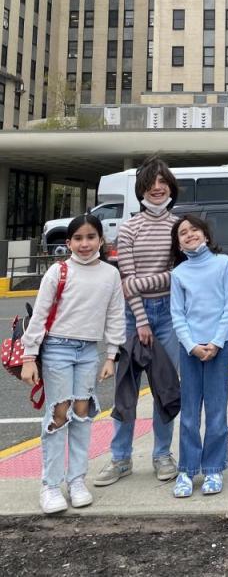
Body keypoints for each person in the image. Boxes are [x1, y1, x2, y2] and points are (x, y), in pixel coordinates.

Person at [20, 214, 125, 514]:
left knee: (82, 413)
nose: (84, 243)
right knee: (59, 414)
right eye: (78, 238)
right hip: (57, 349)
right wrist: (29, 357)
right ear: (68, 243)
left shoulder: (111, 274)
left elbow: (115, 315)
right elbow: (40, 315)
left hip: (89, 351)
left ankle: (77, 480)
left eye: (91, 237)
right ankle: (51, 486)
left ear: (101, 240)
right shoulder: (58, 271)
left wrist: (112, 355)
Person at [95, 155, 181, 486]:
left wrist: (142, 282)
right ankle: (120, 458)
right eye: (151, 183)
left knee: (165, 388)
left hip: (169, 314)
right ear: (141, 189)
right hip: (133, 317)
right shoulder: (130, 227)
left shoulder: (179, 226)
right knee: (126, 388)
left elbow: (177, 275)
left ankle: (162, 454)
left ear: (170, 187)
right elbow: (126, 279)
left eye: (163, 182)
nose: (157, 188)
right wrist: (142, 321)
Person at [169, 215, 228, 497]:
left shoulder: (224, 263)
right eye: (183, 232)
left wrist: (216, 342)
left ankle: (213, 468)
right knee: (189, 412)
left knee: (217, 410)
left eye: (194, 229)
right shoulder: (178, 273)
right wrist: (191, 345)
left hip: (219, 345)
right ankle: (186, 469)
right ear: (178, 243)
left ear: (206, 235)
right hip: (190, 348)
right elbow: (177, 314)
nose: (189, 235)